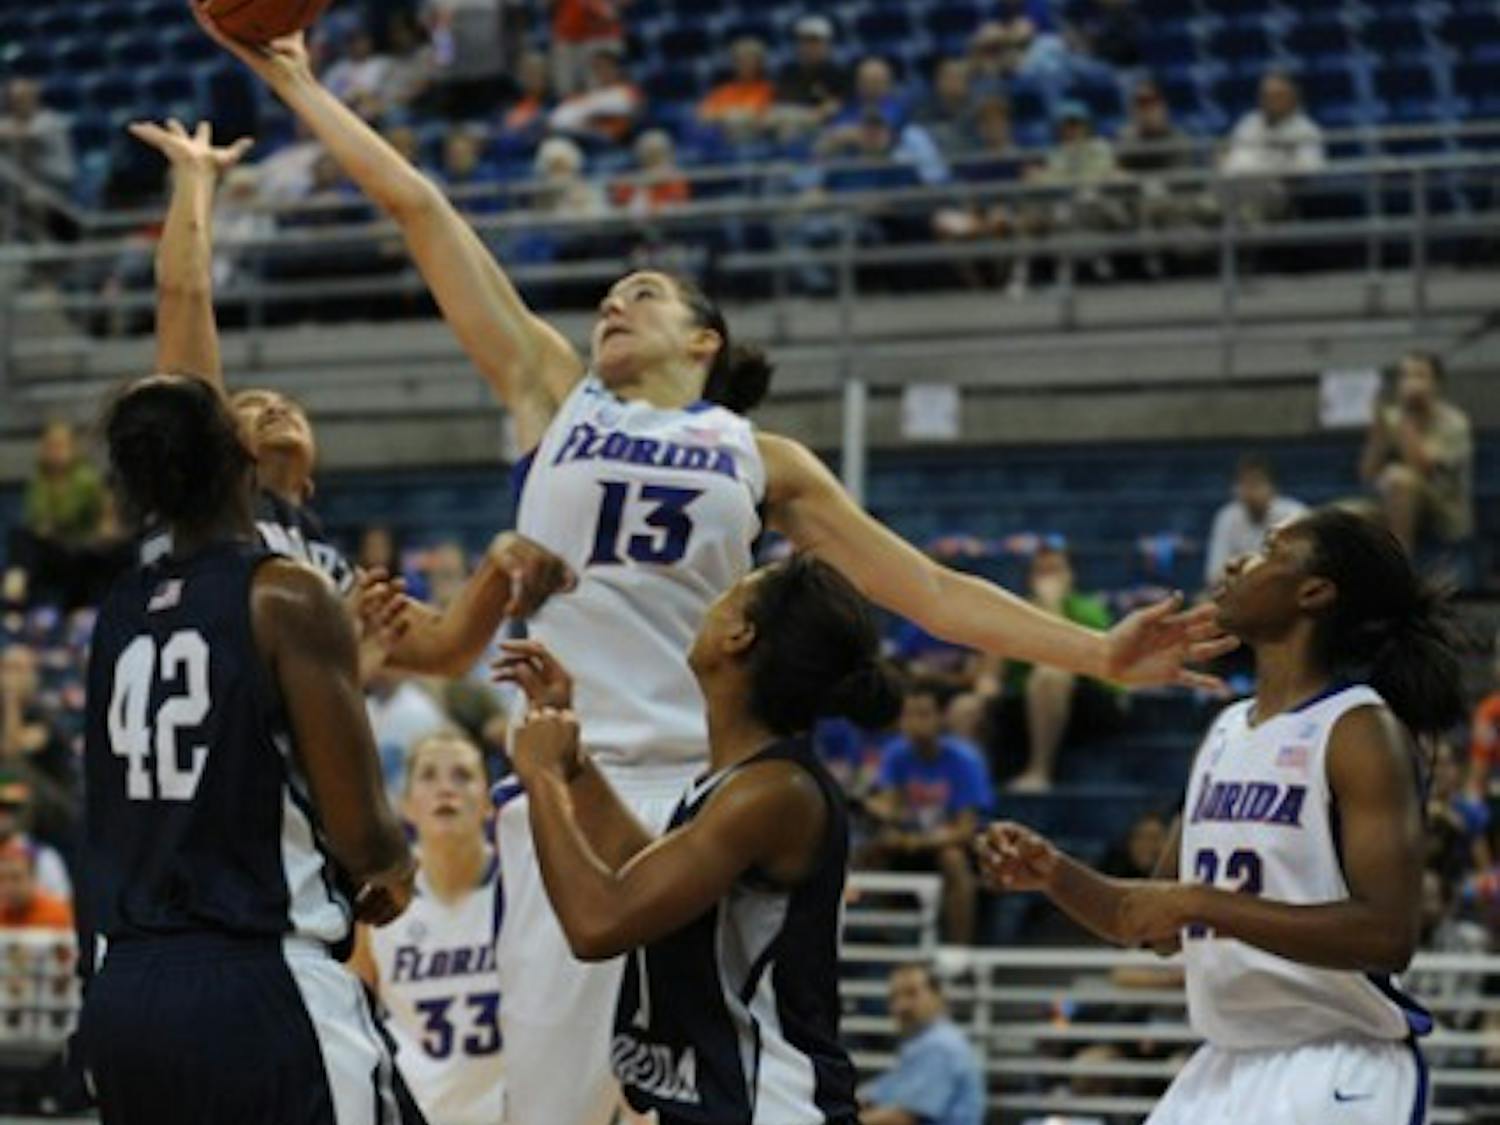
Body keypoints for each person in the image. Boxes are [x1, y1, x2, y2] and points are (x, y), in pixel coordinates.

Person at [197, 20, 1233, 1122]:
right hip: (562, 774)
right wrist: (298, 83)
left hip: (707, 803)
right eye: (609, 293)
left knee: (727, 1093)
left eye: (643, 291)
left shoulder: (762, 457)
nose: (613, 302)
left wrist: (1099, 653)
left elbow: (925, 589)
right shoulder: (554, 398)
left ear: (705, 341)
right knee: (552, 1107)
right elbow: (422, 209)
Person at [980, 508, 1466, 1125]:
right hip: (1223, 1066)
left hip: (1334, 1065)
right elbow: (1152, 922)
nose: (1238, 562)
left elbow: (1387, 935)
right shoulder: (1227, 730)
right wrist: (1054, 874)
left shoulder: (1358, 729)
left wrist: (1201, 904)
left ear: (1314, 592)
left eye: (1268, 551)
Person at [76, 375, 418, 1122]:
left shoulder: (119, 612)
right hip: (259, 982)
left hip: (125, 988)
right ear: (242, 460)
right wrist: (394, 867)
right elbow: (365, 838)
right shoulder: (287, 593)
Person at [131, 117, 574, 680]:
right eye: (251, 402)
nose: (275, 406)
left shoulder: (327, 570)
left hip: (258, 750)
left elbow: (445, 650)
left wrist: (496, 565)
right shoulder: (199, 493)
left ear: (311, 481)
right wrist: (195, 177)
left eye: (288, 403)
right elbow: (183, 296)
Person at [500, 555, 902, 1124]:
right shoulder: (740, 786)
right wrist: (570, 760)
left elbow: (596, 923)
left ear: (740, 636)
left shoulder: (774, 792)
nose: (710, 602)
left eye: (732, 592)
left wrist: (538, 778)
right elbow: (642, 877)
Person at [352, 729, 504, 1125]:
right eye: (429, 776)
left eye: (462, 776)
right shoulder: (379, 901)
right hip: (417, 1112)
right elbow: (351, 1019)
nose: (445, 790)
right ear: (406, 806)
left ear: (489, 803)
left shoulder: (522, 886)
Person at [866, 681, 993, 944]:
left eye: (923, 714)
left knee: (953, 860)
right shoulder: (895, 754)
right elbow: (891, 807)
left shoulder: (965, 759)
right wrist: (880, 813)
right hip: (909, 841)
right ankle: (883, 941)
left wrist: (919, 842)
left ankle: (958, 950)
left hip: (950, 844)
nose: (914, 724)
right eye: (907, 715)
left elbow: (965, 830)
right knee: (869, 850)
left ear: (940, 718)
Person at [992, 545, 1124, 791]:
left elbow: (1074, 659)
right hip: (1025, 703)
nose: (1047, 579)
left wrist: (1051, 606)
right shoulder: (1016, 610)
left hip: (1089, 696)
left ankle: (1039, 770)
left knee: (1050, 675)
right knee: (966, 708)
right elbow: (990, 671)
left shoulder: (1088, 609)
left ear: (1070, 576)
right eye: (1041, 572)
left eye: (1054, 571)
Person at [1359, 351, 1474, 554]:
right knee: (1346, 513)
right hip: (1391, 504)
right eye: (1405, 376)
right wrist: (1377, 433)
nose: (1410, 383)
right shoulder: (1391, 418)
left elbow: (1423, 468)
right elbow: (1367, 474)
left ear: (1436, 383)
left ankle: (1401, 564)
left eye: (1419, 376)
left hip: (1443, 511)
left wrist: (1406, 414)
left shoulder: (1453, 422)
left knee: (1399, 479)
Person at [859, 963, 984, 1125]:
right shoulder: (920, 1044)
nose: (901, 1006)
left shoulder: (939, 1046)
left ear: (938, 996)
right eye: (893, 998)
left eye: (912, 994)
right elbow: (875, 1095)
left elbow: (902, 1118)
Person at [1220, 72, 1326, 224]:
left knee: (1242, 216)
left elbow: (1310, 167)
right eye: (1265, 95)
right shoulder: (1249, 122)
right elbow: (1232, 162)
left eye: (1278, 95)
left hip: (1276, 195)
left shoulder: (1305, 129)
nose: (1270, 100)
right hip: (1236, 187)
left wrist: (1269, 171)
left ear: (1293, 98)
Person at [1204, 454, 1307, 588]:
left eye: (1256, 484)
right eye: (1243, 484)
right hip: (1239, 593)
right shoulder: (1226, 516)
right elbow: (1213, 576)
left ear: (1273, 488)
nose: (1249, 491)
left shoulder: (1295, 513)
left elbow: (1301, 569)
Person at [697, 37, 775, 143]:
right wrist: (728, 115)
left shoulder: (769, 89)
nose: (746, 64)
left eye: (751, 60)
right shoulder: (724, 91)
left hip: (757, 138)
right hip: (724, 138)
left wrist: (735, 114)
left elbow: (762, 116)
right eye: (741, 60)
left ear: (760, 64)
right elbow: (704, 114)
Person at [0, 837, 71, 930]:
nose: (8, 886)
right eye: (2, 879)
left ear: (33, 877)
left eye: (16, 878)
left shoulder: (57, 913)